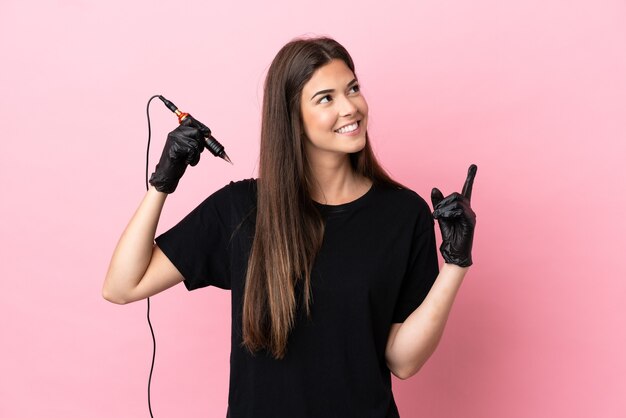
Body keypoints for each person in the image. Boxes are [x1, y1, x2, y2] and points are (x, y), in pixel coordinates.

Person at [103, 36, 477, 418]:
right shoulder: (242, 209)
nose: (350, 108)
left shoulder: (403, 213)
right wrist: (163, 181)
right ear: (292, 117)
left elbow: (402, 361)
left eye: (353, 89)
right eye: (326, 98)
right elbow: (122, 286)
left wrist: (455, 265)